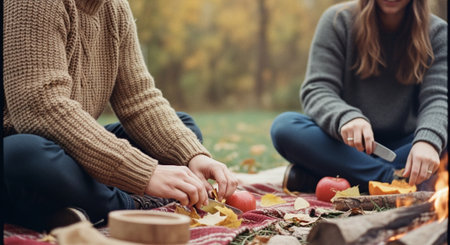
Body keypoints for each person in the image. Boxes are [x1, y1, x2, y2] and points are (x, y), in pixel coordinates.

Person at [3, 0, 238, 231]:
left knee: (184, 127)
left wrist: (192, 156)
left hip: (69, 149)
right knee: (22, 155)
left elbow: (140, 100)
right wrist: (147, 173)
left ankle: (77, 205)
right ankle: (133, 204)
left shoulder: (114, 7)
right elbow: (40, 108)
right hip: (24, 146)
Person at [271, 0, 447, 193]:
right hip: (346, 148)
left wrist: (428, 141)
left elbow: (438, 99)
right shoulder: (337, 20)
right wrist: (346, 117)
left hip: (409, 148)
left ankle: (321, 178)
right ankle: (394, 180)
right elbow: (318, 88)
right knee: (285, 127)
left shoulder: (438, 32)